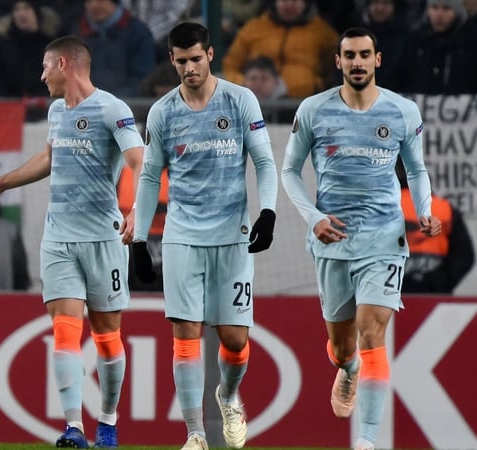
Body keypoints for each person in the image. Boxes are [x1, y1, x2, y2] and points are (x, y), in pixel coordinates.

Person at [0, 35, 145, 448]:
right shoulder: (56, 111)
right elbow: (49, 157)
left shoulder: (113, 109)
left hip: (103, 238)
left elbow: (140, 161)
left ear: (63, 64)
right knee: (65, 331)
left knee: (106, 337)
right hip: (59, 238)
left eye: (45, 66)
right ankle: (73, 427)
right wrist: (1, 183)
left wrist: (137, 209)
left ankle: (107, 423)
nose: (42, 75)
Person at [281, 27, 442, 450]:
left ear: (377, 59)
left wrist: (423, 210)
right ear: (338, 61)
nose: (357, 62)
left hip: (384, 237)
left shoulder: (401, 111)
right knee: (342, 347)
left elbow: (417, 170)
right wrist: (314, 217)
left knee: (372, 334)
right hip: (332, 240)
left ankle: (366, 441)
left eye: (364, 55)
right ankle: (348, 369)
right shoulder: (314, 110)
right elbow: (289, 172)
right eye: (349, 55)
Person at [133, 22, 278, 450]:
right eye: (181, 61)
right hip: (182, 235)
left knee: (234, 339)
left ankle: (228, 396)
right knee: (186, 333)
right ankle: (195, 434)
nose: (189, 68)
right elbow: (149, 176)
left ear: (210, 55)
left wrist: (268, 213)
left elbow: (264, 162)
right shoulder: (162, 112)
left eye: (196, 59)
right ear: (172, 60)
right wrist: (139, 239)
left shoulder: (240, 100)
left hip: (232, 235)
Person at [221, 0, 339, 98]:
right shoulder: (253, 28)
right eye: (283, 0)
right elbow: (230, 66)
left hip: (302, 101)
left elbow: (334, 71)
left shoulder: (323, 32)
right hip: (255, 101)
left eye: (295, 1)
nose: (289, 5)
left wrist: (315, 85)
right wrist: (244, 83)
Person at [395, 160, 475, 294]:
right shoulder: (445, 209)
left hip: (388, 292)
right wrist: (442, 284)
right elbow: (464, 255)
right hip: (432, 291)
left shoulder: (381, 207)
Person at [388, 0, 477, 94]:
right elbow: (394, 78)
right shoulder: (415, 42)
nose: (439, 14)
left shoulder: (473, 42)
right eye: (434, 8)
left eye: (446, 8)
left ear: (458, 12)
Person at [72, 0, 156, 98]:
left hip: (127, 103)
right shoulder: (77, 34)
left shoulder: (138, 33)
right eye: (89, 1)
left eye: (100, 0)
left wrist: (114, 101)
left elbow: (143, 77)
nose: (94, 5)